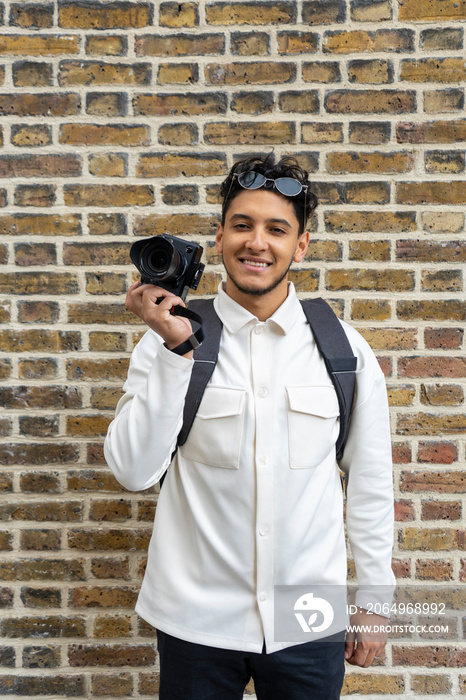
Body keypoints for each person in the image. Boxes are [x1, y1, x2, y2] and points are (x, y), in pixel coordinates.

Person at [104, 154, 395, 700]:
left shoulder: (344, 350)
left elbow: (372, 483)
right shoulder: (166, 342)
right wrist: (174, 352)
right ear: (219, 237)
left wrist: (375, 599)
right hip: (197, 616)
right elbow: (132, 472)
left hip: (308, 614)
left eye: (276, 229)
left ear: (300, 245)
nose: (256, 242)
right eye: (242, 225)